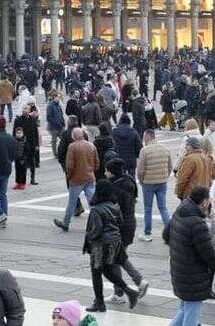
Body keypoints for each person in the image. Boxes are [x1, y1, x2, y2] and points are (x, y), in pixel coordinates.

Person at [163, 186, 215, 326]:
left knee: (184, 310)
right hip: (193, 275)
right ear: (204, 202)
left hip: (179, 269)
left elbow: (165, 235)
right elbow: (209, 254)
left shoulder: (180, 210)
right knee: (191, 315)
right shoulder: (198, 223)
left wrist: (181, 250)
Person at [83, 180, 140, 312]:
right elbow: (120, 222)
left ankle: (99, 302)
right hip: (115, 243)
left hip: (100, 246)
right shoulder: (115, 206)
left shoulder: (96, 210)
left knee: (96, 273)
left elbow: (96, 231)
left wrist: (88, 237)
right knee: (107, 270)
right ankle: (129, 291)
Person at [104, 159, 150, 304]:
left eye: (107, 170)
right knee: (118, 257)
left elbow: (113, 211)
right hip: (130, 224)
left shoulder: (114, 188)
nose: (105, 173)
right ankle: (134, 284)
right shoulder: (129, 180)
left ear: (113, 172)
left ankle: (122, 291)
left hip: (119, 227)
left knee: (114, 260)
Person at [54, 128, 98, 232]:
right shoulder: (91, 145)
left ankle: (66, 222)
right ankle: (97, 223)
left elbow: (69, 165)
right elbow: (97, 162)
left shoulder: (72, 147)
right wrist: (92, 171)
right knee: (92, 202)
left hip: (76, 179)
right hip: (89, 177)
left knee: (72, 202)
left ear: (73, 136)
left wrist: (69, 177)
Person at [135, 129, 173, 242]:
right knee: (163, 207)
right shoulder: (165, 149)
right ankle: (170, 232)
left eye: (144, 137)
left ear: (148, 137)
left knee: (148, 209)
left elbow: (140, 170)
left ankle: (148, 233)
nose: (143, 139)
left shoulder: (144, 151)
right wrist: (165, 177)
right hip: (162, 182)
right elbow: (170, 166)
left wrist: (141, 181)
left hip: (148, 183)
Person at [111, 114, 142, 179]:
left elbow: (112, 145)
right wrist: (137, 155)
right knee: (132, 176)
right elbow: (138, 146)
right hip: (131, 158)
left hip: (118, 157)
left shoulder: (114, 131)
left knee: (120, 177)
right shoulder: (133, 132)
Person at [46, 91, 66, 156]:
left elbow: (61, 114)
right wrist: (56, 123)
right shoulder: (50, 106)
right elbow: (49, 117)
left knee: (64, 139)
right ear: (54, 97)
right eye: (58, 97)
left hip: (61, 126)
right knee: (54, 141)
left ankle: (63, 151)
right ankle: (55, 153)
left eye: (60, 97)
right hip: (53, 127)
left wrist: (63, 123)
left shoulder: (58, 105)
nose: (59, 99)